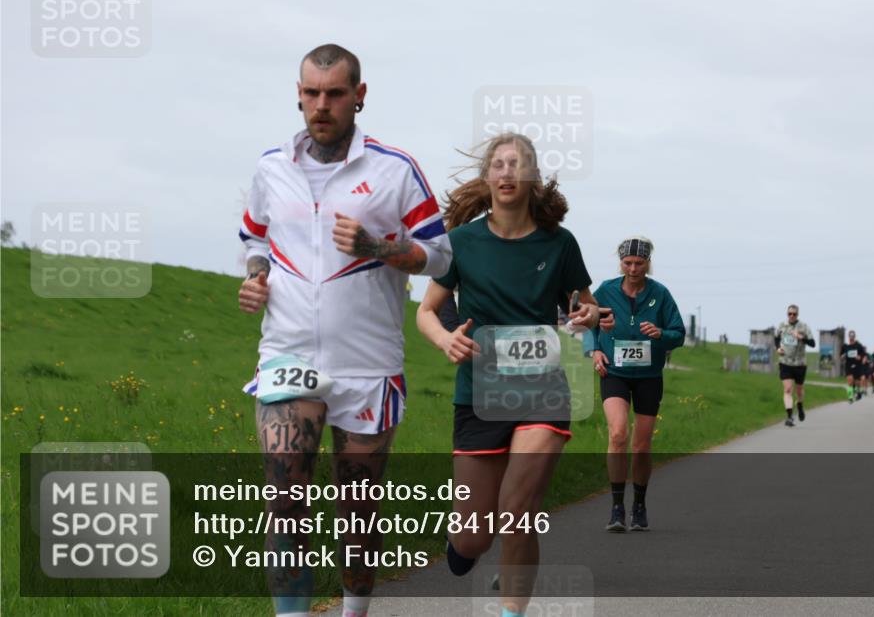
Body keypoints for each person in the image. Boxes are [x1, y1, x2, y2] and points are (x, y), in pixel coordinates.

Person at [238, 44, 452, 617]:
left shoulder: (394, 169)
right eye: (311, 93)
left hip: (367, 365)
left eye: (335, 93)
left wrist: (377, 246)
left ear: (359, 95)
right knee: (285, 501)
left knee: (358, 516)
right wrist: (257, 277)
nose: (321, 105)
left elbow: (441, 257)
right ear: (299, 95)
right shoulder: (271, 167)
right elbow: (254, 239)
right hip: (287, 357)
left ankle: (355, 610)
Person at [416, 132, 600, 617]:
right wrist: (445, 339)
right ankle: (463, 544)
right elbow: (427, 312)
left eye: (516, 164)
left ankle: (511, 612)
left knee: (518, 513)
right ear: (487, 176)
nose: (505, 172)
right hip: (479, 393)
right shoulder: (461, 242)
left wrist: (585, 315)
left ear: (532, 177)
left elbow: (586, 305)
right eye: (497, 164)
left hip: (543, 390)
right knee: (474, 537)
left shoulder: (559, 244)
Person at [591, 237, 685, 532]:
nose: (633, 269)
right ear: (620, 263)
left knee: (641, 446)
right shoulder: (605, 290)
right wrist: (593, 349)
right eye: (627, 263)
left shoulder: (661, 294)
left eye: (639, 263)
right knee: (618, 434)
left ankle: (639, 506)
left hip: (648, 376)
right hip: (614, 372)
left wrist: (659, 334)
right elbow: (585, 321)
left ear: (648, 263)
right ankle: (617, 507)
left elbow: (678, 333)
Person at [774, 304, 816, 426]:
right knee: (787, 389)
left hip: (800, 364)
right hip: (785, 362)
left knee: (799, 391)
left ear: (797, 315)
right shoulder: (782, 325)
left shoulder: (803, 326)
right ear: (787, 314)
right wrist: (777, 348)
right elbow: (776, 338)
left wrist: (800, 337)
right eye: (789, 313)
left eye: (794, 314)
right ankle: (790, 417)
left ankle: (800, 404)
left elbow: (813, 343)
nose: (792, 316)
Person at [840, 330, 867, 402]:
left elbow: (864, 355)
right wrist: (843, 356)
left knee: (857, 382)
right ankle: (850, 397)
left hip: (857, 365)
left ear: (854, 336)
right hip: (848, 365)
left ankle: (858, 392)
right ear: (848, 336)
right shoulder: (845, 346)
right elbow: (841, 356)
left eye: (853, 336)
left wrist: (860, 357)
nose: (851, 337)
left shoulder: (858, 345)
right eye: (850, 336)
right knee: (850, 381)